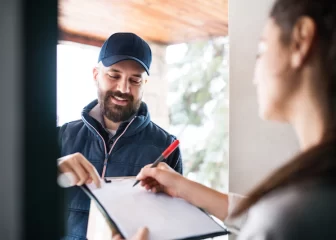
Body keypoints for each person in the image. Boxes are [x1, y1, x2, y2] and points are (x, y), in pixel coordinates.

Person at [124, 0, 336, 239]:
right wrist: (185, 189)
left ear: (301, 40)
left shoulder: (288, 216)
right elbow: (257, 215)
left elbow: (270, 220)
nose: (255, 75)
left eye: (261, 50)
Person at [57, 32, 183, 240]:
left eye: (135, 80)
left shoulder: (166, 146)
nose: (124, 88)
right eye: (114, 76)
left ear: (145, 84)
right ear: (96, 74)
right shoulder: (62, 136)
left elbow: (176, 229)